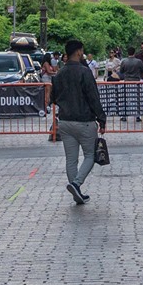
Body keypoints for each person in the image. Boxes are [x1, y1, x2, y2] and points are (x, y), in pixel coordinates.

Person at [49, 38, 106, 204]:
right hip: (85, 121)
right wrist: (101, 118)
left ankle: (77, 192)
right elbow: (93, 97)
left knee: (71, 159)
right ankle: (76, 183)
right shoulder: (84, 72)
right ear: (79, 51)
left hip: (65, 121)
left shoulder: (59, 74)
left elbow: (53, 98)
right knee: (90, 155)